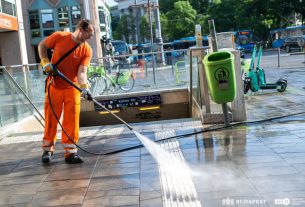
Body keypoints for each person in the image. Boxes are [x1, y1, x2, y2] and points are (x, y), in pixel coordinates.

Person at [38, 19, 94, 164]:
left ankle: (70, 153)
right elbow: (42, 45)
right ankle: (47, 150)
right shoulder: (60, 37)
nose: (90, 37)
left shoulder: (87, 50)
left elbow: (82, 72)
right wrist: (45, 62)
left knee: (72, 119)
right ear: (81, 29)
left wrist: (84, 88)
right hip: (54, 85)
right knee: (51, 119)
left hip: (72, 88)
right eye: (89, 33)